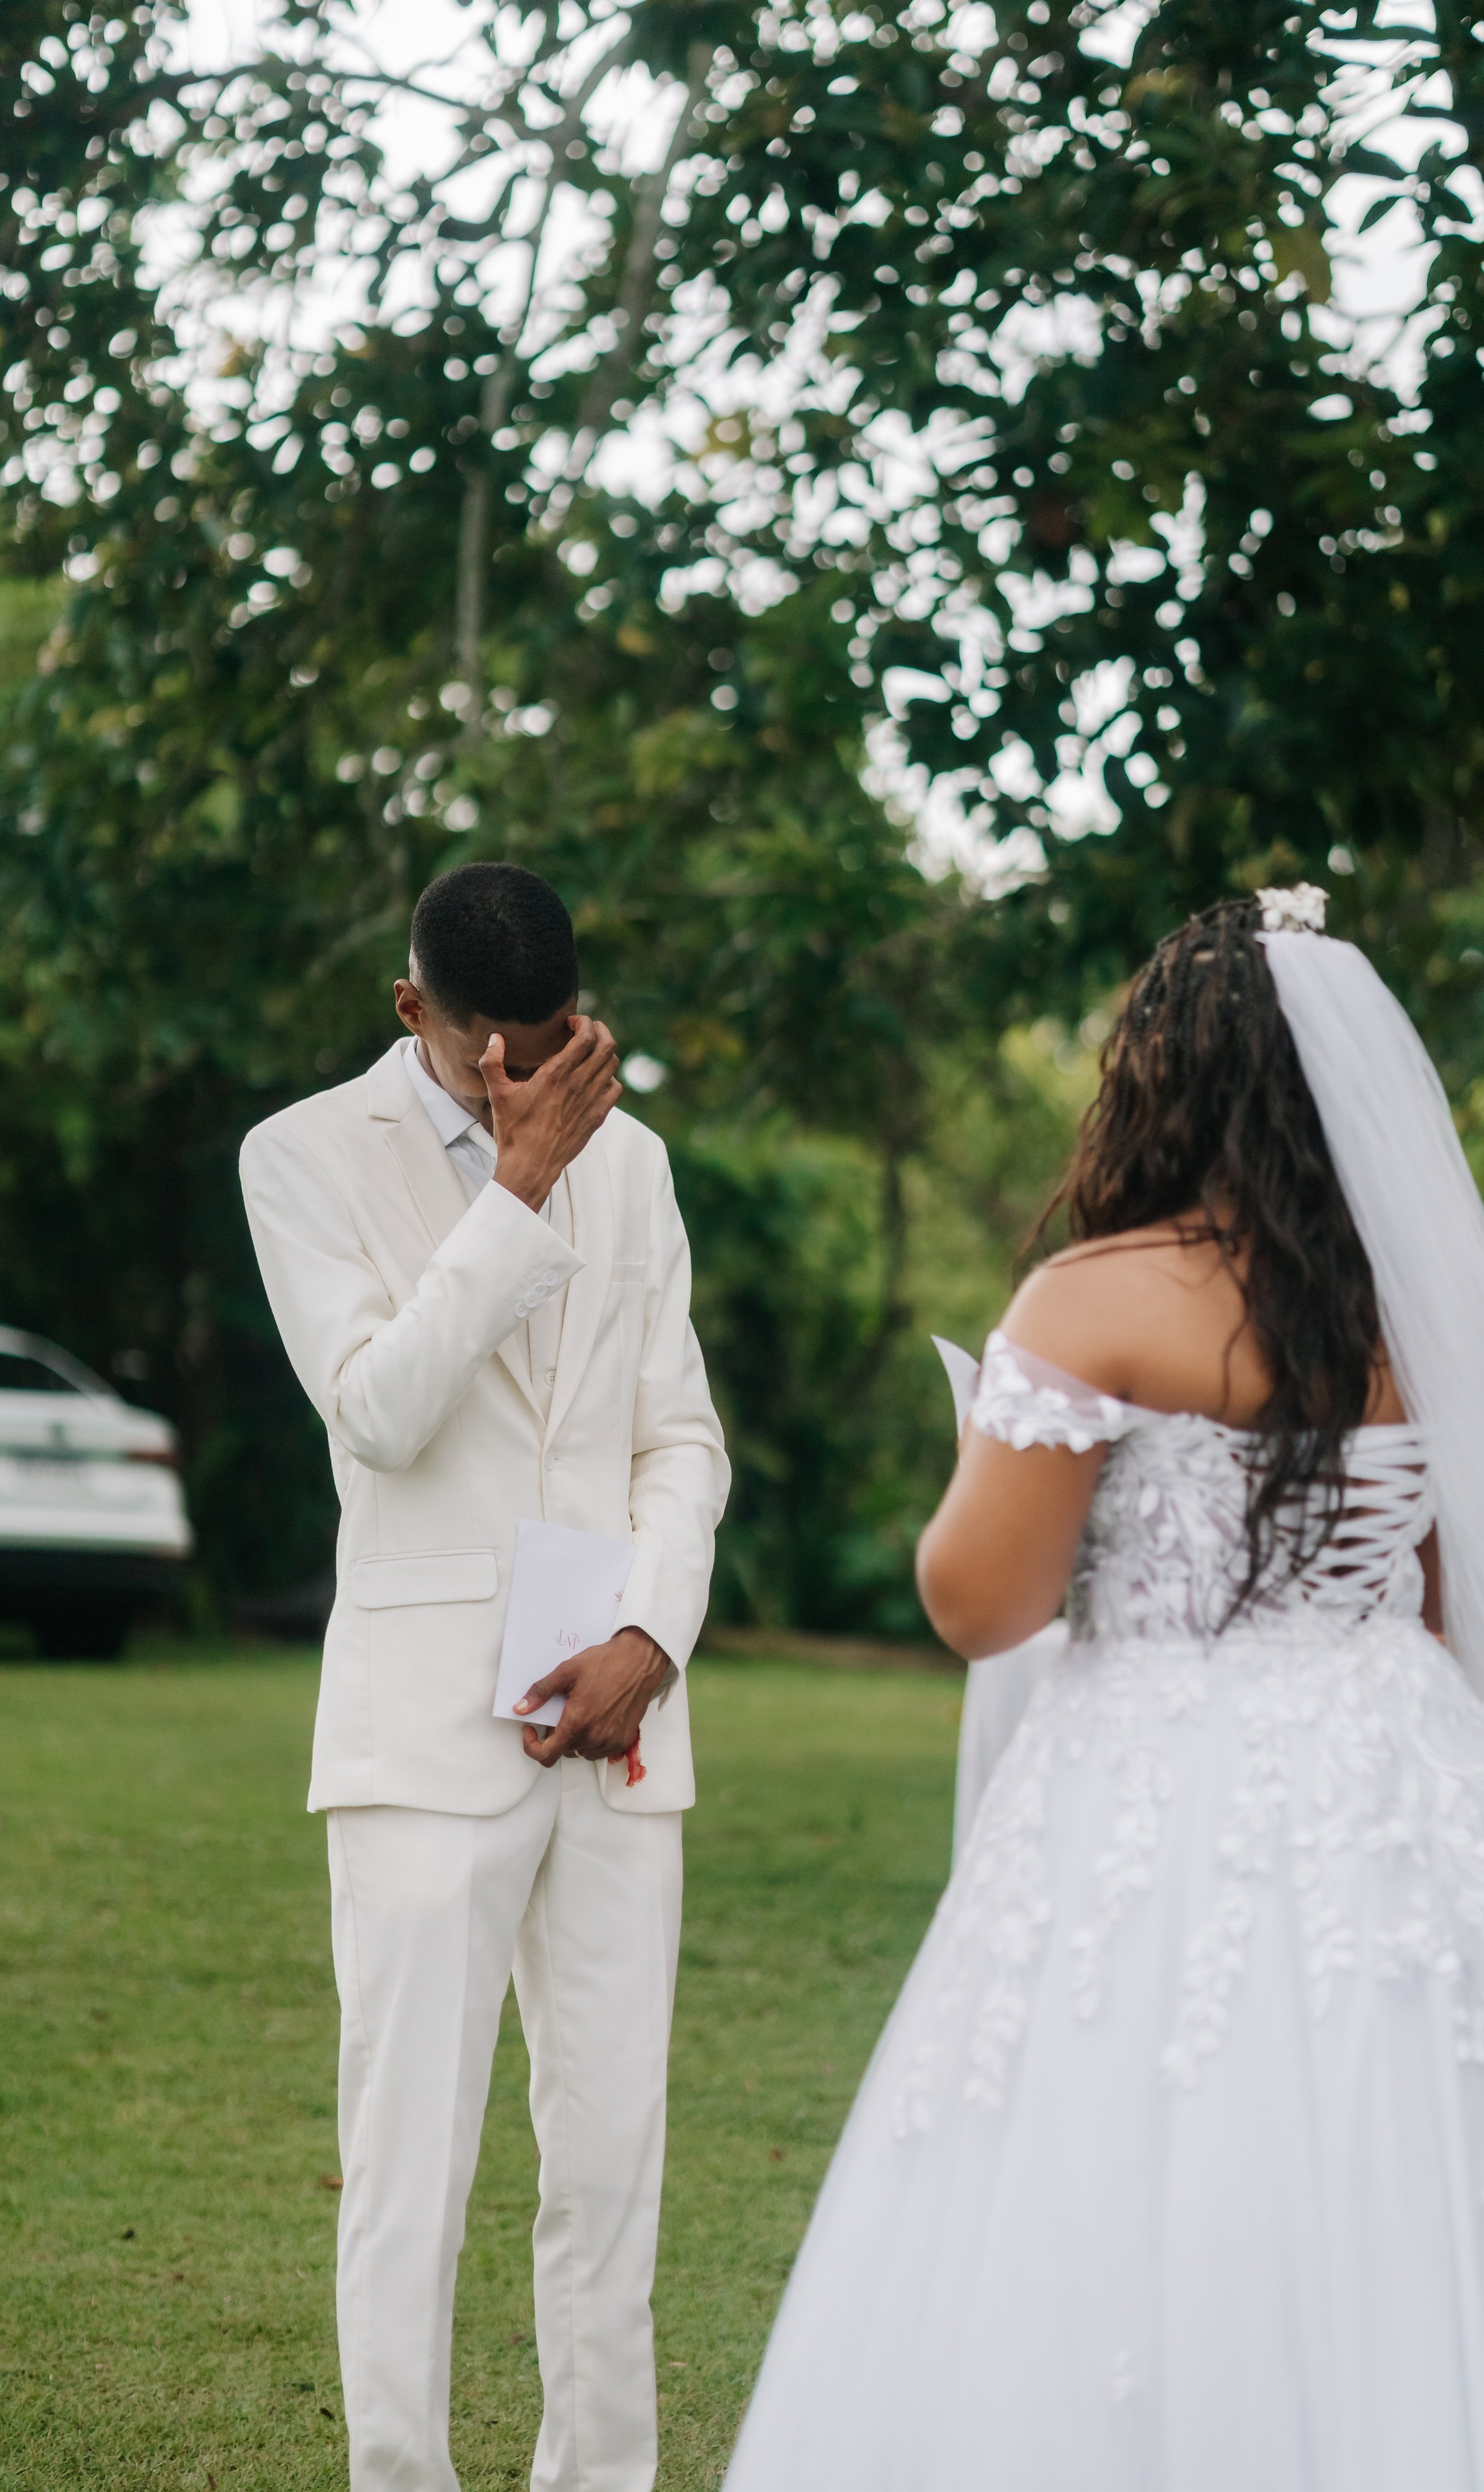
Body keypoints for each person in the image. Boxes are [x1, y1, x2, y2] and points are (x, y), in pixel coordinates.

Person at [724, 888, 1484, 2491]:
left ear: (1163, 1076)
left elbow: (979, 1601)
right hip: (1395, 1765)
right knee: (1388, 2158)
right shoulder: (1409, 1312)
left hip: (1160, 1767)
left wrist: (991, 1458)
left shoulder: (1096, 1294)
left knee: (1127, 2148)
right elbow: (1425, 1586)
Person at [239, 861, 729, 2492]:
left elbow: (678, 1434)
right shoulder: (304, 1156)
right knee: (412, 2165)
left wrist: (652, 1639)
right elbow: (378, 1411)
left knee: (609, 2165)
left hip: (612, 1715)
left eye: (552, 1045)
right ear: (413, 1015)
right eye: (484, 1056)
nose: (522, 1082)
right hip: (421, 1729)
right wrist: (515, 1187)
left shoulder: (641, 1166)